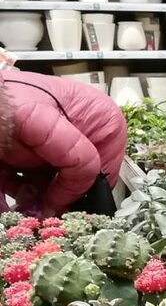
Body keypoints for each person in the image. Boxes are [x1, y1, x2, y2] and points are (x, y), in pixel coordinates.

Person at [0, 64, 127, 217]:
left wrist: (50, 205)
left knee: (82, 215)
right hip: (43, 143)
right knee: (37, 213)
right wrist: (19, 191)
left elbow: (83, 166)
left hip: (94, 129)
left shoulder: (27, 113)